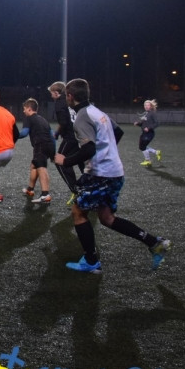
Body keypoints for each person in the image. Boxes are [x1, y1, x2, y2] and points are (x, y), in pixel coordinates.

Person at [54, 78, 172, 273]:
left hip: (100, 174)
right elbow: (118, 132)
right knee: (107, 218)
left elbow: (89, 148)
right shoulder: (97, 112)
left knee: (78, 212)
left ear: (70, 96)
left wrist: (65, 161)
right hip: (115, 171)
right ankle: (155, 243)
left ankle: (91, 261)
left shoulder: (83, 115)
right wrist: (107, 152)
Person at [49, 81, 83, 205]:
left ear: (57, 93)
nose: (51, 96)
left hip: (70, 137)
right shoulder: (71, 100)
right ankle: (89, 187)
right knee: (80, 160)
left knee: (59, 161)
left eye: (52, 93)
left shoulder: (59, 103)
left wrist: (57, 133)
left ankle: (76, 189)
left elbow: (63, 122)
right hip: (80, 135)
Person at [19, 98, 56, 204]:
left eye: (25, 109)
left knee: (41, 167)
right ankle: (30, 190)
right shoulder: (43, 119)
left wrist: (13, 135)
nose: (24, 111)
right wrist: (53, 153)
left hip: (40, 145)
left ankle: (45, 195)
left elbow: (24, 133)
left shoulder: (29, 118)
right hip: (48, 145)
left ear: (29, 109)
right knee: (34, 165)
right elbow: (52, 136)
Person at [134, 99, 161, 166]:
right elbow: (143, 124)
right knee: (142, 147)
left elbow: (157, 123)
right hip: (144, 133)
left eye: (148, 105)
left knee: (142, 146)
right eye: (145, 105)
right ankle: (156, 152)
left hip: (149, 133)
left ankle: (148, 160)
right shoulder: (146, 113)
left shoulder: (152, 113)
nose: (146, 106)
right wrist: (138, 124)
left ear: (151, 106)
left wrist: (149, 128)